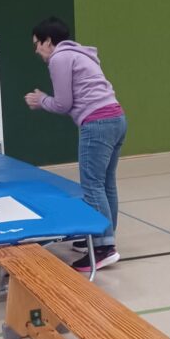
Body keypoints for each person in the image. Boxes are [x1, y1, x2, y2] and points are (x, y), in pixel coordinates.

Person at [25, 16, 127, 273]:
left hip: (97, 123)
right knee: (106, 183)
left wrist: (41, 100)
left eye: (37, 44)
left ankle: (104, 247)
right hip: (116, 118)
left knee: (92, 185)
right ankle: (102, 236)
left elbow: (63, 103)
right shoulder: (81, 54)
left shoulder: (59, 58)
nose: (36, 50)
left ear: (49, 41)